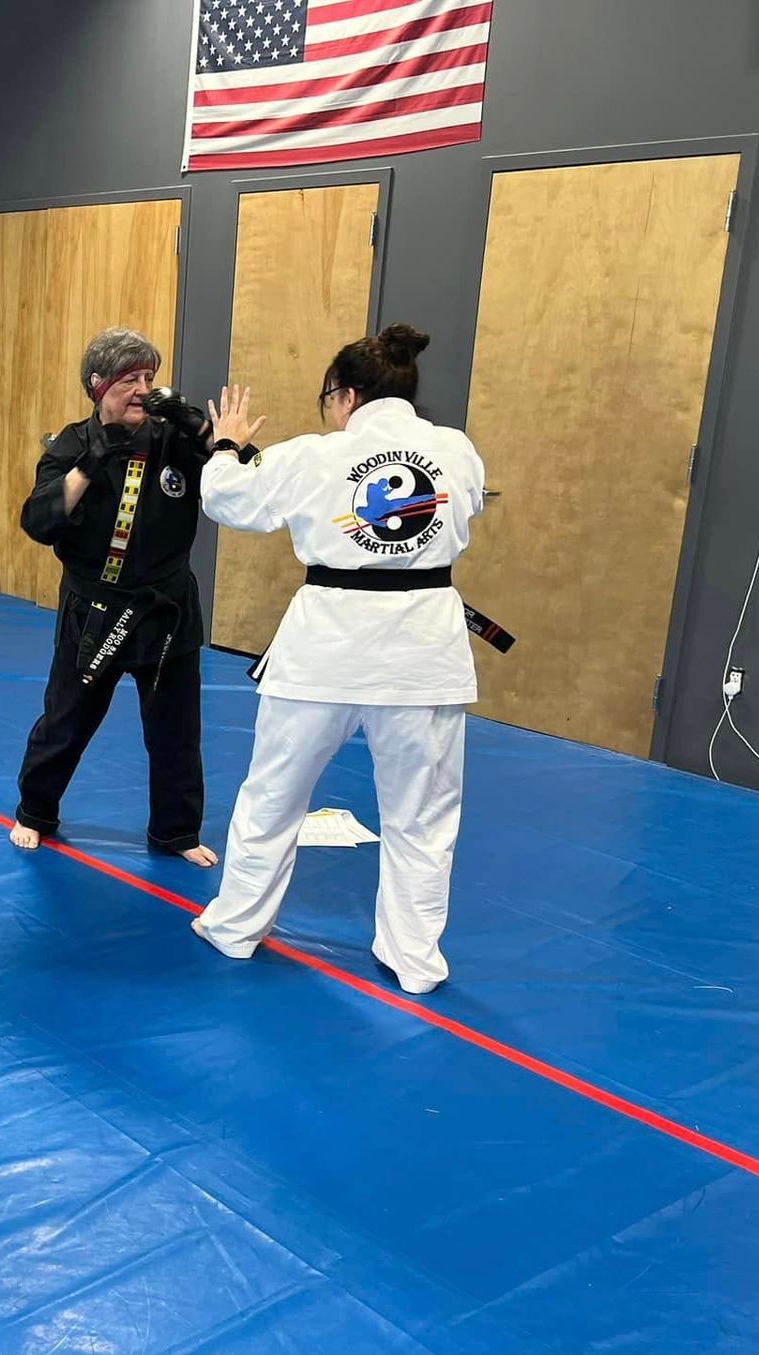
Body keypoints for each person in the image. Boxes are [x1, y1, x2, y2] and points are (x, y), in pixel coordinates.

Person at [190, 325, 487, 995]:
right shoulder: (456, 453)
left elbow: (225, 498)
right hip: (422, 654)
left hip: (325, 653)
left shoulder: (316, 457)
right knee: (422, 818)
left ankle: (235, 927)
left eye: (329, 397)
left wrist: (229, 444)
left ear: (347, 395)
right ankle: (415, 960)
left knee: (273, 797)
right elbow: (463, 518)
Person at [10, 327, 217, 867]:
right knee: (67, 718)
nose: (143, 389)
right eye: (130, 379)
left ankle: (176, 831)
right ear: (98, 386)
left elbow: (239, 481)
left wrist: (213, 439)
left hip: (166, 609)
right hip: (97, 611)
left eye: (149, 377)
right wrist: (90, 463)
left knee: (176, 728)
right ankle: (35, 811)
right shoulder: (71, 445)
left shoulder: (172, 438)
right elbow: (39, 522)